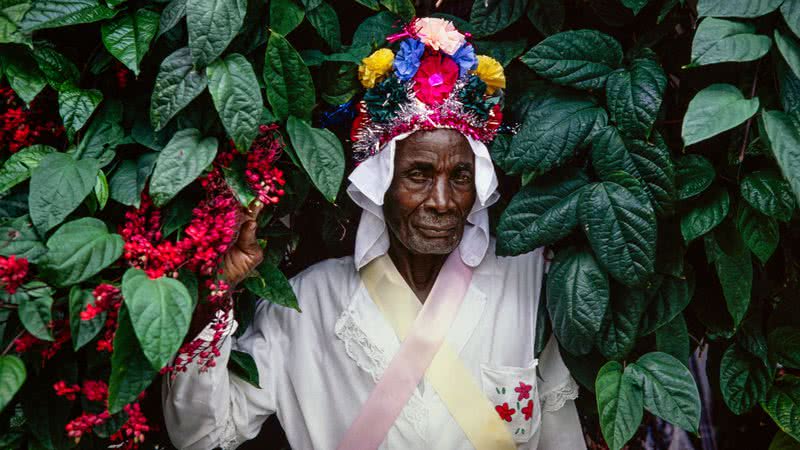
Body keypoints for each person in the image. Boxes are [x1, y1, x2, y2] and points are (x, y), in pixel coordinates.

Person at [163, 17, 586, 450]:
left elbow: (559, 432)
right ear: (379, 184)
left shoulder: (529, 280)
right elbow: (201, 435)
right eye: (419, 175)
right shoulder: (305, 305)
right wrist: (216, 293)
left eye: (460, 176)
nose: (443, 201)